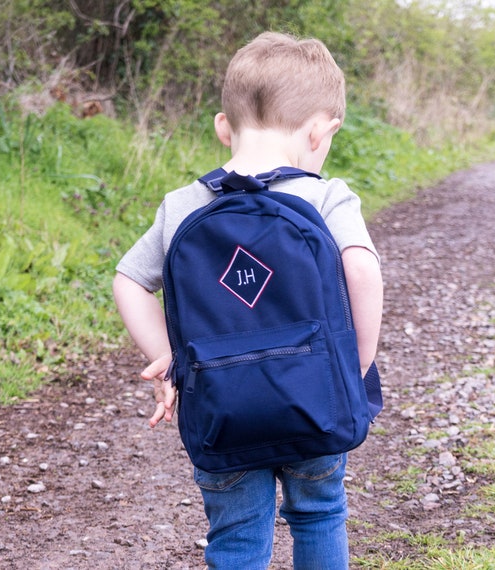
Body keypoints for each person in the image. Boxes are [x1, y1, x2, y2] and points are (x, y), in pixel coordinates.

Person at [113, 31, 383, 570]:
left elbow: (129, 279)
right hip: (316, 403)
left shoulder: (183, 204)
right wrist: (355, 363)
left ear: (222, 126)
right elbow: (361, 268)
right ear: (320, 132)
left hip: (221, 408)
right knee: (320, 514)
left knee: (236, 537)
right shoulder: (327, 195)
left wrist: (171, 359)